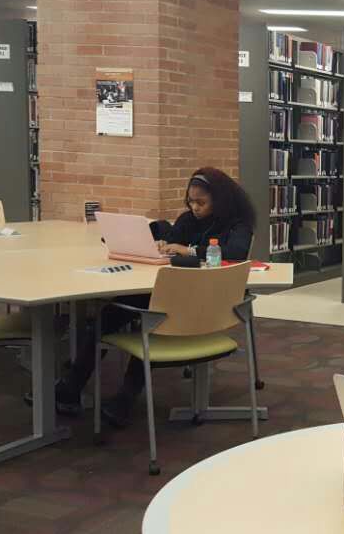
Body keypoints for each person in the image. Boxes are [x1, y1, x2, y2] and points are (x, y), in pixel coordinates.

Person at [53, 167, 257, 427]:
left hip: (208, 301)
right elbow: (171, 240)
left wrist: (188, 250)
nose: (195, 208)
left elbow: (236, 252)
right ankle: (71, 387)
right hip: (173, 292)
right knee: (109, 316)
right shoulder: (187, 219)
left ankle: (123, 401)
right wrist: (161, 245)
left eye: (201, 202)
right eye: (191, 201)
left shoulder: (238, 224)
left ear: (220, 200)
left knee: (153, 326)